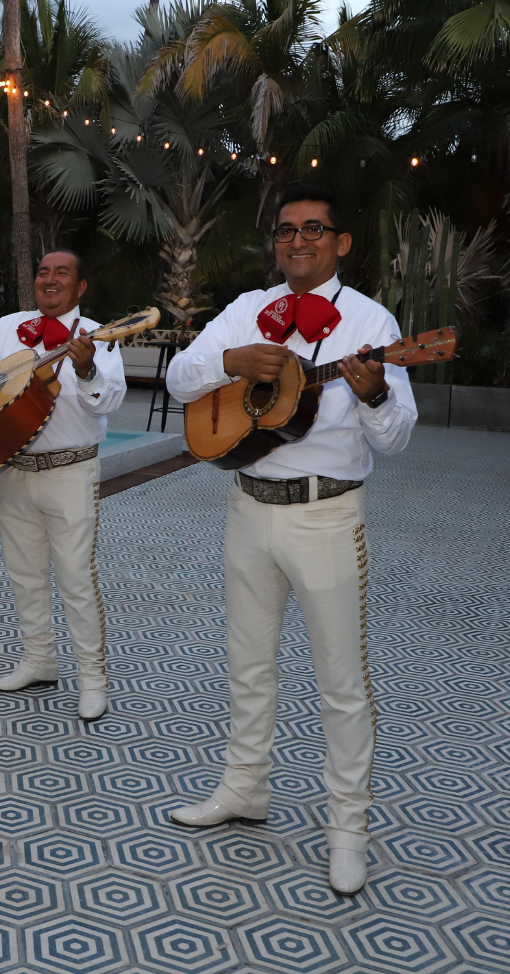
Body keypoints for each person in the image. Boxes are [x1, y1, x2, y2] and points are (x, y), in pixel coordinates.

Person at [165, 184, 417, 894]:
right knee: (248, 665)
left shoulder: (371, 322)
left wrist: (372, 394)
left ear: (341, 243)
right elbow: (185, 380)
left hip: (327, 517)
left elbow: (397, 438)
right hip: (247, 507)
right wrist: (230, 362)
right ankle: (244, 788)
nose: (297, 240)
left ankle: (348, 829)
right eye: (285, 231)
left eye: (314, 229)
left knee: (341, 685)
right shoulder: (248, 310)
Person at [0, 251, 127, 720]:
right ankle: (38, 660)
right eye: (43, 271)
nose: (49, 279)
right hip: (12, 470)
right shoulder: (10, 325)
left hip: (71, 472)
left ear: (80, 286)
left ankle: (93, 679)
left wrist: (86, 370)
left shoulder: (100, 337)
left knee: (76, 579)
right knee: (24, 576)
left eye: (62, 272)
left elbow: (108, 401)